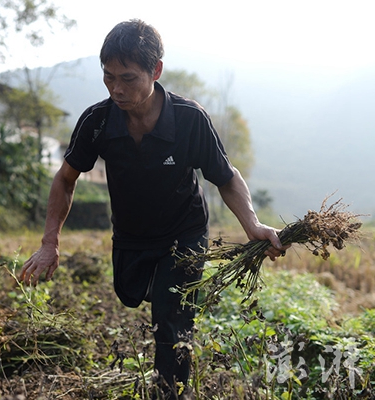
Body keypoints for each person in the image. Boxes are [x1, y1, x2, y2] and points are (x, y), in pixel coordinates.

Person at [19, 19, 288, 398]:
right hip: (130, 235)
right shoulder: (97, 121)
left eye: (128, 78)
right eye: (108, 77)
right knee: (129, 293)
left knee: (171, 321)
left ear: (156, 70)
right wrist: (50, 242)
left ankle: (170, 390)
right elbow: (65, 179)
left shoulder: (189, 119)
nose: (116, 89)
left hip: (184, 234)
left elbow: (225, 177)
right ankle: (163, 295)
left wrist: (253, 224)